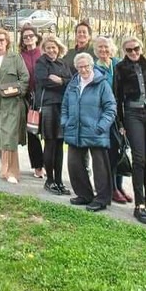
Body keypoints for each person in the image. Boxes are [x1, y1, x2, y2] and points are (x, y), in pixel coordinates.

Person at [114, 35, 146, 225]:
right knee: (139, 158)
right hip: (132, 114)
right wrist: (120, 123)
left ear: (141, 48)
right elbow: (117, 97)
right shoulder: (120, 68)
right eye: (129, 50)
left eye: (136, 49)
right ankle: (139, 203)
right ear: (124, 51)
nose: (133, 52)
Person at [62, 52, 116, 212]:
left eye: (86, 66)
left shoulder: (102, 84)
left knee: (100, 167)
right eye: (80, 67)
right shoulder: (73, 83)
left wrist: (101, 126)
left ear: (92, 66)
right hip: (75, 129)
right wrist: (65, 122)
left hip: (96, 130)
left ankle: (101, 199)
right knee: (74, 164)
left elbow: (111, 108)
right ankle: (84, 195)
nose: (83, 70)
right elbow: (65, 105)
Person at [0, 28, 29, 184]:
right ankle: (4, 168)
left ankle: (12, 172)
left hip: (12, 104)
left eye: (2, 40)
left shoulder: (15, 58)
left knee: (9, 137)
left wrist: (16, 91)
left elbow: (24, 78)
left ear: (7, 42)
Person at [33, 35, 71, 195]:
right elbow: (43, 81)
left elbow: (71, 81)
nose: (51, 50)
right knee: (50, 143)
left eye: (53, 47)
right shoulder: (41, 62)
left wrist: (61, 81)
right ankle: (49, 181)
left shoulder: (63, 63)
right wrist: (60, 82)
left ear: (59, 48)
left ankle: (59, 181)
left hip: (62, 106)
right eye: (48, 47)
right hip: (48, 106)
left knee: (60, 144)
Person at [93, 36, 128, 205]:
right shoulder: (94, 68)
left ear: (111, 48)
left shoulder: (119, 64)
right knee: (112, 151)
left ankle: (120, 186)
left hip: (121, 113)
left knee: (122, 149)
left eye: (106, 47)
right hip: (105, 113)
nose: (103, 50)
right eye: (100, 47)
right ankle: (112, 187)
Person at [18, 26, 45, 179]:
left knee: (47, 133)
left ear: (36, 37)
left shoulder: (43, 53)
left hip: (45, 97)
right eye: (25, 37)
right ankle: (38, 166)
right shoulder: (20, 57)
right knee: (33, 133)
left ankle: (48, 163)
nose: (28, 38)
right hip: (29, 98)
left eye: (30, 35)